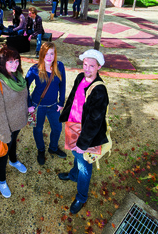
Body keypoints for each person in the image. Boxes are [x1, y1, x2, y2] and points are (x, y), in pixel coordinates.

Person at [58, 49, 109, 214]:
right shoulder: (80, 77)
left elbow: (94, 122)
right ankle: (74, 175)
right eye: (85, 64)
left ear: (99, 67)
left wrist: (83, 143)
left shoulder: (100, 91)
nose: (87, 69)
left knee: (84, 165)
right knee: (76, 155)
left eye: (91, 66)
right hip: (73, 125)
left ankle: (81, 196)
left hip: (85, 133)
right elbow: (73, 96)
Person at [0, 45, 28, 198]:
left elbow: (23, 97)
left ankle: (14, 160)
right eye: (10, 62)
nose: (15, 65)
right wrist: (3, 133)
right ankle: (1, 180)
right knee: (2, 154)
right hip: (4, 127)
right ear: (2, 63)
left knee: (14, 142)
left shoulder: (18, 77)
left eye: (17, 61)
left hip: (16, 122)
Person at [26, 42, 66, 165]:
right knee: (38, 130)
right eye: (46, 54)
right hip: (38, 106)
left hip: (54, 105)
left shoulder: (60, 66)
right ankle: (41, 150)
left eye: (52, 53)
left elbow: (62, 84)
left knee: (57, 128)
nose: (49, 57)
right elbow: (25, 87)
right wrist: (29, 105)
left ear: (55, 54)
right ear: (42, 54)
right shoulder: (34, 69)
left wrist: (61, 101)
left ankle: (53, 148)